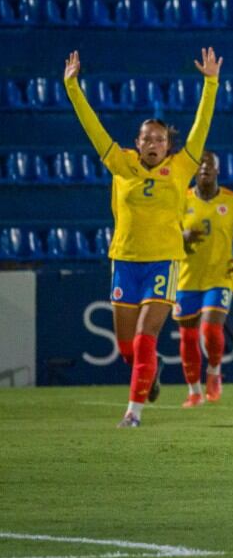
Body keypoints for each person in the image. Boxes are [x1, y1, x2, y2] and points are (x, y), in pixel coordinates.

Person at [63, 47, 221, 427]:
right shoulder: (121, 163)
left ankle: (133, 413)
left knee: (145, 338)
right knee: (125, 347)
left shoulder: (182, 166)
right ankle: (147, 374)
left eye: (160, 140)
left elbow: (202, 125)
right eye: (147, 139)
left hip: (163, 261)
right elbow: (93, 127)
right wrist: (73, 88)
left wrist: (211, 82)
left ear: (169, 145)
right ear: (138, 142)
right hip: (125, 260)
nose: (153, 145)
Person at [174, 152, 233, 407]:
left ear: (218, 171)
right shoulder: (180, 199)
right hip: (186, 278)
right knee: (188, 335)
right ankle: (194, 391)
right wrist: (182, 236)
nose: (204, 171)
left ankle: (214, 371)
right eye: (200, 167)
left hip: (220, 276)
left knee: (210, 328)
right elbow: (165, 231)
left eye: (209, 167)